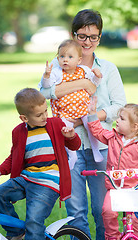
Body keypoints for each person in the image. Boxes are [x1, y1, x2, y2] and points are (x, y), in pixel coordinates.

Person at [39, 9, 127, 240]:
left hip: (102, 146)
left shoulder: (107, 69)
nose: (87, 42)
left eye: (93, 37)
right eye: (82, 36)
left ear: (99, 37)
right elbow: (44, 94)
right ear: (73, 34)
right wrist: (82, 83)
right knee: (76, 212)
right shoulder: (58, 68)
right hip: (69, 148)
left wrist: (90, 118)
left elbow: (119, 105)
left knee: (102, 210)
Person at [0, 88, 81, 240]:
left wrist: (71, 136)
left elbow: (75, 146)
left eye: (46, 111)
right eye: (39, 115)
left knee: (34, 221)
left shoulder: (56, 124)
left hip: (48, 182)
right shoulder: (18, 132)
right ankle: (16, 233)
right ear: (24, 118)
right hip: (26, 179)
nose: (45, 116)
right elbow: (13, 158)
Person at [87, 98, 138, 240]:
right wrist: (92, 113)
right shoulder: (113, 137)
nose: (117, 121)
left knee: (136, 219)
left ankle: (136, 237)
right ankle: (112, 237)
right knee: (107, 211)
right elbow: (98, 131)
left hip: (135, 188)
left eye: (122, 119)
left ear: (135, 127)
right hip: (115, 187)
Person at [40, 39, 103, 169]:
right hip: (65, 112)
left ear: (79, 60)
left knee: (91, 126)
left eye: (70, 57)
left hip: (83, 109)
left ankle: (96, 150)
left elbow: (94, 84)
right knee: (66, 133)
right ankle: (72, 155)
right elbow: (46, 87)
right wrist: (46, 76)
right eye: (62, 56)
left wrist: (98, 76)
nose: (65, 60)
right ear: (57, 58)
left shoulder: (84, 70)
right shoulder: (57, 72)